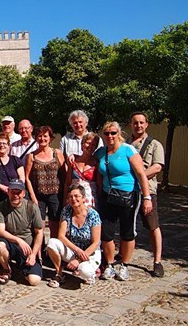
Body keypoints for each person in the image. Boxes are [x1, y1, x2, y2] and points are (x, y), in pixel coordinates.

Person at [95, 121, 151, 281]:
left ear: (119, 133)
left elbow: (141, 174)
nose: (110, 136)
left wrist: (147, 197)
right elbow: (95, 168)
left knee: (127, 231)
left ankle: (124, 265)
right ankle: (110, 264)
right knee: (106, 232)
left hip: (128, 195)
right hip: (107, 196)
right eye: (106, 133)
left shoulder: (128, 150)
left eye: (113, 133)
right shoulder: (101, 152)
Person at [126, 112, 165, 277]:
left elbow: (157, 167)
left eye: (141, 122)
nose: (138, 126)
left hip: (147, 191)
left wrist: (140, 176)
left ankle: (157, 261)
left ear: (146, 124)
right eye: (135, 123)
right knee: (126, 225)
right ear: (131, 125)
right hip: (128, 191)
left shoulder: (154, 144)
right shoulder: (125, 144)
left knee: (152, 225)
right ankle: (124, 256)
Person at [47, 185, 102, 287]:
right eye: (70, 197)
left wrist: (79, 259)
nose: (73, 199)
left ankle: (91, 272)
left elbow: (96, 242)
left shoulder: (93, 215)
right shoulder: (66, 211)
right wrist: (77, 251)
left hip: (89, 252)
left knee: (84, 272)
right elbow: (61, 236)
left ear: (84, 198)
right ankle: (59, 273)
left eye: (77, 196)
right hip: (73, 249)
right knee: (52, 243)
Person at [0, 179, 44, 286]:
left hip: (27, 248)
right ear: (8, 191)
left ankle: (23, 268)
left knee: (34, 280)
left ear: (24, 193)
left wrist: (34, 254)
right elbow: (0, 231)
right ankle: (6, 269)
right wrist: (18, 240)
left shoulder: (32, 207)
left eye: (18, 192)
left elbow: (39, 232)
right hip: (9, 243)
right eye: (13, 192)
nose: (15, 195)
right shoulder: (0, 207)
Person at [25, 126, 65, 238]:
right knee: (39, 226)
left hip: (55, 194)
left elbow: (64, 174)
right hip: (38, 196)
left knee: (55, 224)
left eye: (45, 136)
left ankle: (53, 251)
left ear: (50, 138)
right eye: (39, 136)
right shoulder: (31, 156)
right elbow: (27, 178)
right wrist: (33, 197)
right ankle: (40, 252)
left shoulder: (57, 153)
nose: (42, 138)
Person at [0, 132, 25, 211]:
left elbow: (22, 178)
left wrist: (14, 188)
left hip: (14, 197)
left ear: (8, 145)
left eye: (4, 143)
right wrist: (2, 187)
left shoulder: (15, 160)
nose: (2, 145)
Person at [63, 132, 100, 207]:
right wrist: (64, 200)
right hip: (73, 198)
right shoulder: (73, 161)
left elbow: (99, 184)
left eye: (93, 145)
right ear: (82, 144)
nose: (90, 146)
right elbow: (67, 182)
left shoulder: (97, 163)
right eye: (88, 143)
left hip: (89, 199)